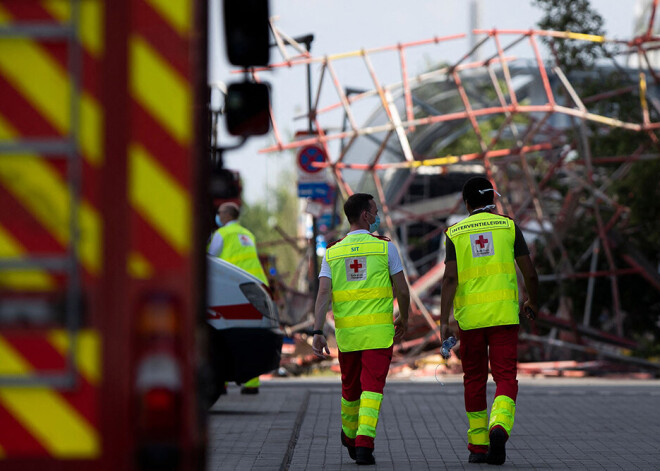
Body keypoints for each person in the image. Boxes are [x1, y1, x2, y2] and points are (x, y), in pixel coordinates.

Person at [440, 176, 538, 466]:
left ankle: (478, 447)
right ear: (492, 199)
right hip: (505, 318)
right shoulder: (508, 226)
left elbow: (449, 278)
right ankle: (499, 427)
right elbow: (530, 273)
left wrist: (444, 322)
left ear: (466, 202)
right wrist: (532, 300)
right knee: (506, 378)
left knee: (474, 380)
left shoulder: (454, 233)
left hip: (470, 321)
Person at [312, 193, 410, 466]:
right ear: (366, 215)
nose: (378, 216)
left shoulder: (332, 251)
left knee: (351, 388)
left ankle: (350, 434)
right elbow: (401, 287)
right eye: (375, 211)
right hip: (378, 334)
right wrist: (405, 316)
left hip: (348, 335)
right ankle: (363, 442)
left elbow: (323, 293)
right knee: (372, 389)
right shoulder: (385, 248)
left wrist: (317, 332)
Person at [208, 202, 269, 394]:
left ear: (226, 215)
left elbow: (210, 257)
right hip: (256, 284)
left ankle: (221, 382)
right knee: (251, 331)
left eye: (219, 212)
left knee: (224, 331)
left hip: (232, 285)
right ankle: (251, 384)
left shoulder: (222, 234)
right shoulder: (247, 233)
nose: (217, 215)